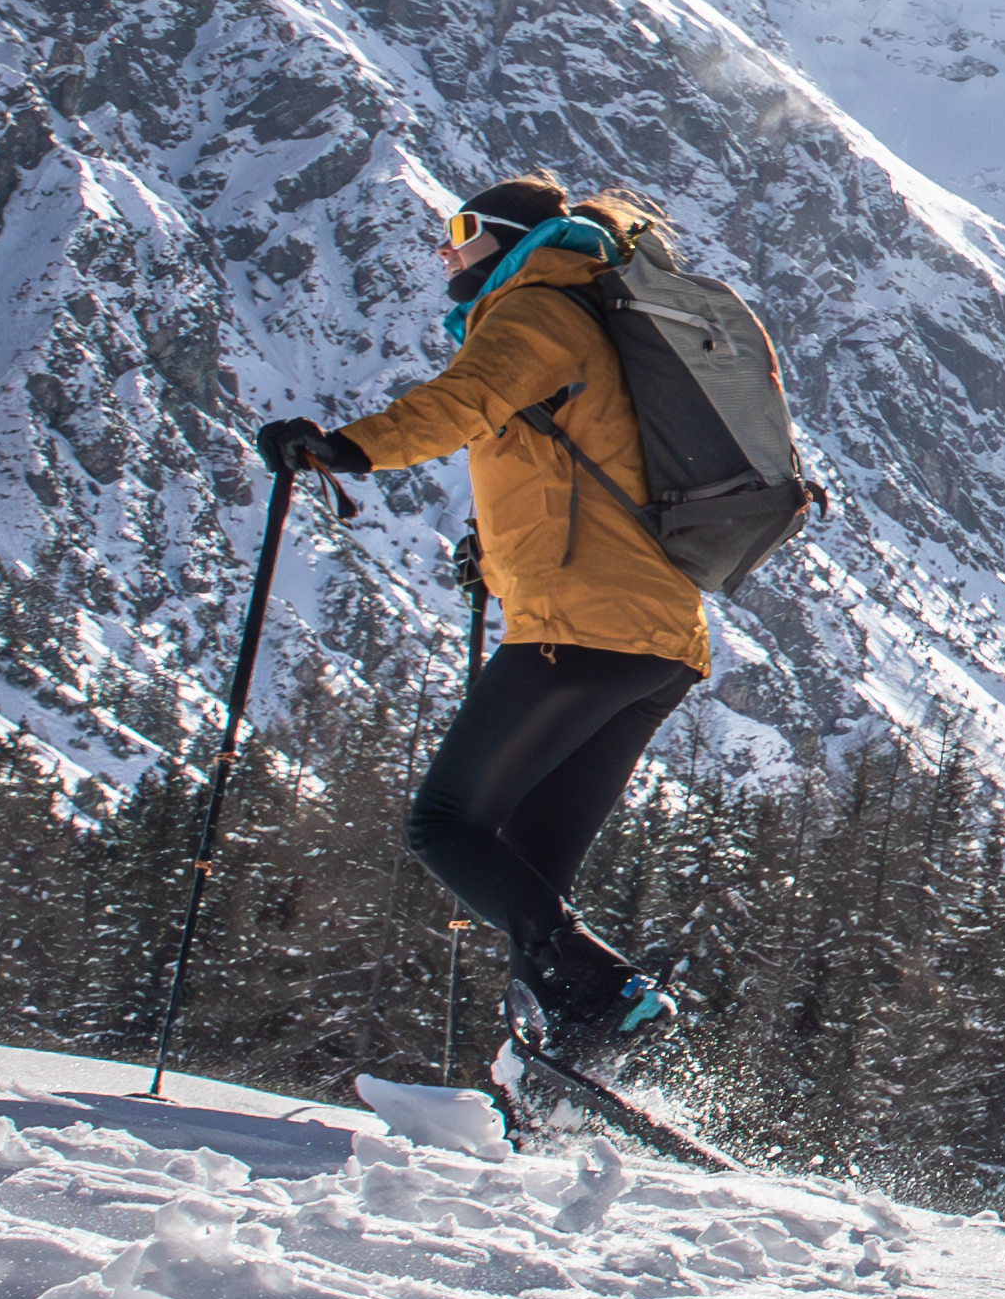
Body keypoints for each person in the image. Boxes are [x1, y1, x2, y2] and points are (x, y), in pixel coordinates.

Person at [257, 178, 702, 1071]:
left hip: (580, 629)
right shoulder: (590, 315)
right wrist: (492, 559)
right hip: (656, 640)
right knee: (528, 865)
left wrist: (340, 448)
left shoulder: (539, 306)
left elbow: (462, 401)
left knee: (447, 824)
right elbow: (576, 477)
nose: (445, 251)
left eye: (458, 231)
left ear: (505, 237)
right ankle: (570, 1046)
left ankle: (612, 999)